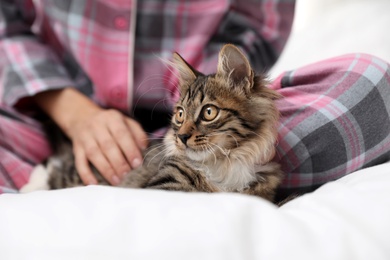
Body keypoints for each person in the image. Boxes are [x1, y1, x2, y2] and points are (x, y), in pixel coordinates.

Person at [1, 0, 389, 199]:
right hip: (46, 103)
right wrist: (73, 111)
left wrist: (198, 99)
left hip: (190, 112)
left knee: (371, 84)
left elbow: (256, 27)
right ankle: (218, 185)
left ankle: (226, 174)